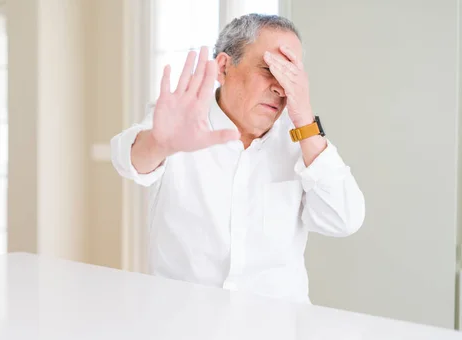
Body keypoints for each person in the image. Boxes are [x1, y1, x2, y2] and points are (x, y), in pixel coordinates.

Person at [110, 14, 365, 304]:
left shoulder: (302, 139)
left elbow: (344, 220)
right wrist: (158, 143)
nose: (282, 89)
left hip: (277, 326)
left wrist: (305, 119)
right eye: (270, 69)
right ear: (224, 67)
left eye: (291, 75)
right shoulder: (182, 121)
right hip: (181, 320)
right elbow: (128, 160)